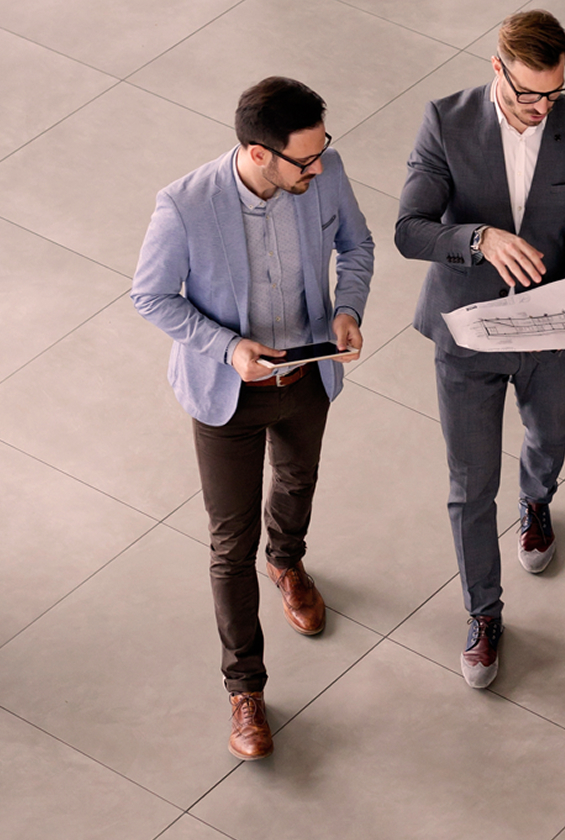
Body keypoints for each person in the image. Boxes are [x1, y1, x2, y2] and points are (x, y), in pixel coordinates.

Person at [131, 77, 374, 758]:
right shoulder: (184, 206)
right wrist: (228, 347)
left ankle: (289, 560)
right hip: (227, 394)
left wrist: (347, 310)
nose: (319, 167)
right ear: (258, 153)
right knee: (228, 544)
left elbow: (357, 246)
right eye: (305, 159)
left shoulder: (323, 171)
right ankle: (246, 690)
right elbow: (151, 297)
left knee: (298, 481)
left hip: (307, 374)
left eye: (323, 150)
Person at [396, 10, 565, 689]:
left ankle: (538, 498)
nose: (543, 107)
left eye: (555, 91)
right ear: (497, 70)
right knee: (470, 485)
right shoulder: (446, 121)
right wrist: (480, 239)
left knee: (550, 434)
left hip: (550, 332)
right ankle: (484, 614)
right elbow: (411, 229)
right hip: (464, 335)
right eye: (528, 94)